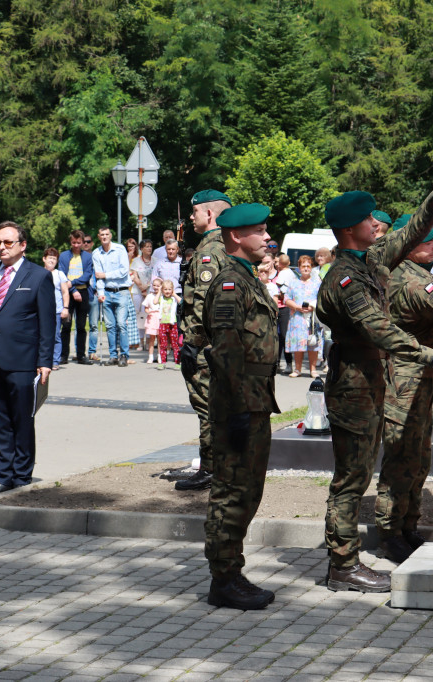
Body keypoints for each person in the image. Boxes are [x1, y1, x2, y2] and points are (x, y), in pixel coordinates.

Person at [316, 175, 433, 594]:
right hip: (352, 387)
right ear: (349, 231)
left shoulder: (370, 261)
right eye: (366, 220)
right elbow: (379, 329)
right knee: (351, 480)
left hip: (372, 383)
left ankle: (349, 560)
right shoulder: (345, 278)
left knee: (361, 473)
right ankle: (343, 565)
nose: (375, 225)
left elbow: (413, 230)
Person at [202, 202, 280, 610]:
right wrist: (233, 411)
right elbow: (228, 348)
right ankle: (224, 579)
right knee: (231, 491)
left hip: (254, 400)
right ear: (236, 236)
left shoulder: (249, 279)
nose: (267, 237)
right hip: (239, 402)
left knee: (248, 490)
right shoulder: (230, 284)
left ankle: (233, 570)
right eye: (259, 231)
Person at [375, 217, 433, 564]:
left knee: (419, 457)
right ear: (412, 245)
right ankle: (390, 532)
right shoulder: (410, 281)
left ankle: (408, 525)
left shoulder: (412, 267)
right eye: (430, 241)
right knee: (403, 457)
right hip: (405, 379)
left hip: (422, 376)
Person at [0, 221, 56, 496]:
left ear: (22, 245)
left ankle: (21, 476)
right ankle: (4, 475)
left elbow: (47, 322)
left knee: (21, 419)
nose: (2, 247)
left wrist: (45, 361)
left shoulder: (38, 276)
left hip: (22, 360)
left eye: (8, 242)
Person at [177, 189, 234, 492]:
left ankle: (211, 468)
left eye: (195, 211)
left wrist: (193, 343)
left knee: (207, 407)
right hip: (217, 345)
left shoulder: (210, 250)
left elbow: (202, 301)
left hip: (205, 347)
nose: (191, 216)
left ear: (209, 214)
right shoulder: (224, 245)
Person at [92, 226, 132, 367]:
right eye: (102, 234)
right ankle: (113, 355)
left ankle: (124, 355)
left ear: (110, 235)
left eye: (106, 234)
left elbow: (123, 271)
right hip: (107, 292)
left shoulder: (120, 249)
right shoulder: (96, 253)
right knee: (110, 326)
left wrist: (105, 275)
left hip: (121, 291)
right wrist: (101, 293)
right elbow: (98, 276)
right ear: (99, 236)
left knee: (121, 324)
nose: (104, 237)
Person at [57, 230, 95, 364]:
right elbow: (62, 275)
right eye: (74, 242)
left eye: (79, 242)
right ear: (70, 242)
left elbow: (87, 275)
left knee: (81, 326)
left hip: (83, 293)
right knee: (66, 326)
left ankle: (81, 355)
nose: (76, 245)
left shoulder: (87, 257)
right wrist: (73, 290)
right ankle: (63, 355)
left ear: (83, 242)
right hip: (68, 294)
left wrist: (72, 283)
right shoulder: (64, 256)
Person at [282, 255, 322, 378]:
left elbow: (322, 299)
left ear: (311, 268)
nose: (305, 268)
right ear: (298, 268)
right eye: (303, 266)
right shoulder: (293, 283)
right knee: (298, 344)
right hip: (297, 318)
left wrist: (312, 306)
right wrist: (297, 307)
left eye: (308, 266)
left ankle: (313, 369)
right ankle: (297, 369)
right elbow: (286, 299)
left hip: (312, 317)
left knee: (312, 344)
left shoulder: (317, 283)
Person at [42, 247, 70, 370]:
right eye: (50, 258)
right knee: (41, 335)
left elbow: (65, 292)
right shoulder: (38, 273)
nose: (52, 261)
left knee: (55, 336)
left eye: (54, 259)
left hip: (57, 310)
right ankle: (42, 359)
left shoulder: (59, 274)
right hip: (42, 310)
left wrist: (66, 308)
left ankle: (55, 360)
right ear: (44, 259)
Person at [270, 254, 295, 374]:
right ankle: (276, 362)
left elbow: (280, 287)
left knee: (285, 336)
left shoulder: (283, 274)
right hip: (273, 307)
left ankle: (289, 363)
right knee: (275, 337)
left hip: (284, 308)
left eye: (276, 261)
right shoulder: (285, 273)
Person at [130, 239, 154, 334]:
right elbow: (134, 276)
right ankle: (138, 340)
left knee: (148, 315)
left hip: (150, 292)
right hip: (137, 291)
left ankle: (148, 340)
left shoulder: (155, 260)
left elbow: (156, 277)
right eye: (147, 246)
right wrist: (142, 288)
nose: (149, 248)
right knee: (137, 314)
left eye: (150, 246)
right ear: (141, 249)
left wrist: (147, 287)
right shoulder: (136, 261)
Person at [155, 280, 181, 369]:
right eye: (165, 289)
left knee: (175, 344)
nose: (167, 291)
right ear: (162, 290)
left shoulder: (173, 298)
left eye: (169, 289)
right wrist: (158, 291)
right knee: (163, 344)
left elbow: (181, 301)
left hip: (172, 324)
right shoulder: (161, 298)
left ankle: (177, 362)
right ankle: (162, 362)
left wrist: (174, 294)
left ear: (172, 290)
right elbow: (155, 302)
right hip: (163, 324)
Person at [122, 238, 142, 352]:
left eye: (132, 246)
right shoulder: (124, 258)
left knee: (137, 316)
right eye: (128, 246)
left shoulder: (138, 258)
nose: (130, 248)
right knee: (127, 317)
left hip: (136, 289)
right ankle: (129, 341)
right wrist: (128, 258)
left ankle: (138, 341)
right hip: (127, 290)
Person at [142, 279, 162, 363]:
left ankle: (160, 356)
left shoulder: (163, 296)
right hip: (152, 318)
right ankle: (150, 356)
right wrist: (148, 312)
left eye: (158, 286)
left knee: (160, 339)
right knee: (152, 339)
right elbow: (146, 308)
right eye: (154, 285)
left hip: (160, 318)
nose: (155, 287)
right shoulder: (149, 296)